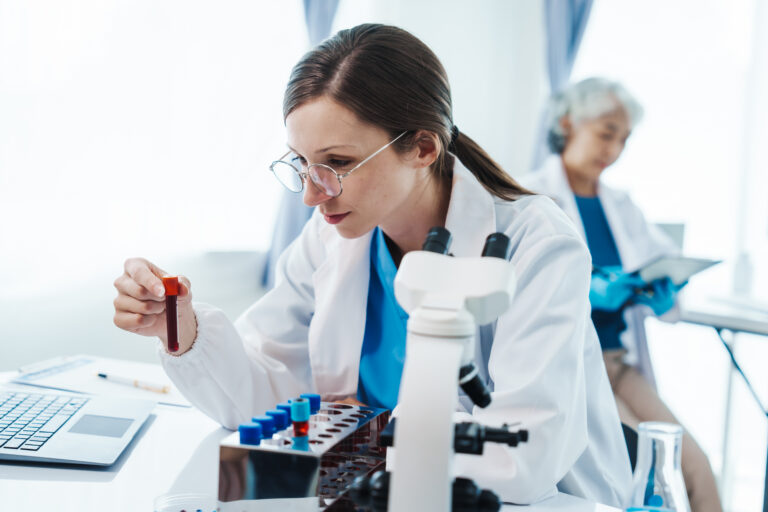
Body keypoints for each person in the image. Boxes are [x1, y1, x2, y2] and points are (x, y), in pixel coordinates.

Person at [113, 25, 631, 505]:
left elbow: (522, 455)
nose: (311, 195)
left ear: (423, 147)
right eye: (301, 164)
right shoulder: (331, 237)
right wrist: (182, 329)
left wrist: (370, 439)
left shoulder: (537, 244)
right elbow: (265, 398)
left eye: (337, 163)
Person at [521, 77, 722, 511]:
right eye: (606, 133)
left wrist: (664, 293)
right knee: (643, 472)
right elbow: (522, 289)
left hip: (617, 362)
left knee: (696, 466)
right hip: (572, 367)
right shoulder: (529, 196)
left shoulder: (621, 205)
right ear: (568, 123)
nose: (613, 149)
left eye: (624, 139)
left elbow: (660, 259)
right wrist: (587, 294)